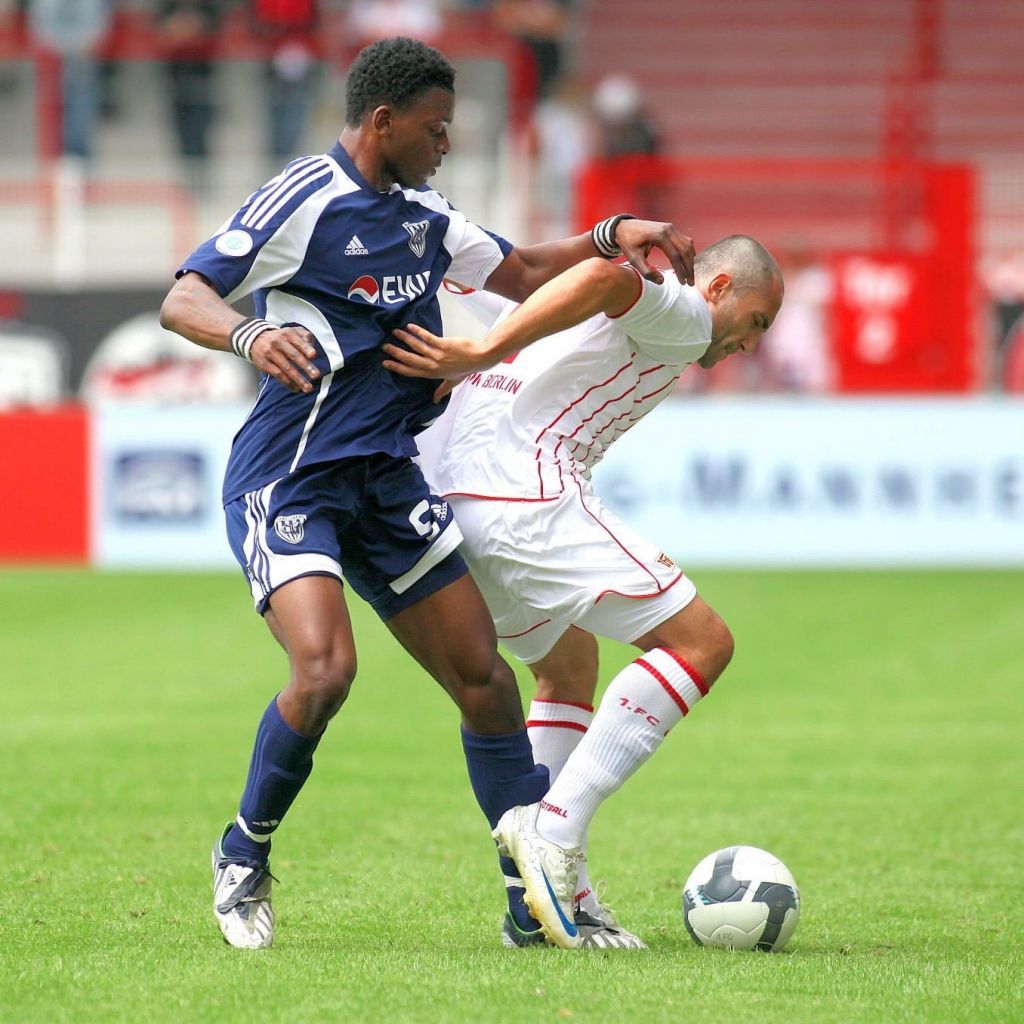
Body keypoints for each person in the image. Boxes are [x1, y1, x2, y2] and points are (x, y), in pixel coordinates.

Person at [158, 35, 695, 950]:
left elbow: (521, 270)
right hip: (292, 473)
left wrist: (608, 236)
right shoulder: (306, 197)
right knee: (326, 672)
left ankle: (531, 906)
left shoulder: (424, 216)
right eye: (436, 126)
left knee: (486, 685)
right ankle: (243, 852)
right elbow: (185, 296)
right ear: (383, 121)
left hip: (388, 480)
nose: (447, 141)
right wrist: (247, 338)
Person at [383, 234, 784, 948]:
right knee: (704, 642)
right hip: (528, 498)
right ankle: (553, 833)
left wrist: (484, 347)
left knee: (567, 667)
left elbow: (541, 281)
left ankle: (553, 905)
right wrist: (478, 352)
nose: (750, 345)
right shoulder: (688, 313)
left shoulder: (563, 307)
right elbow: (604, 276)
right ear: (719, 287)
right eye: (755, 322)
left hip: (463, 510)